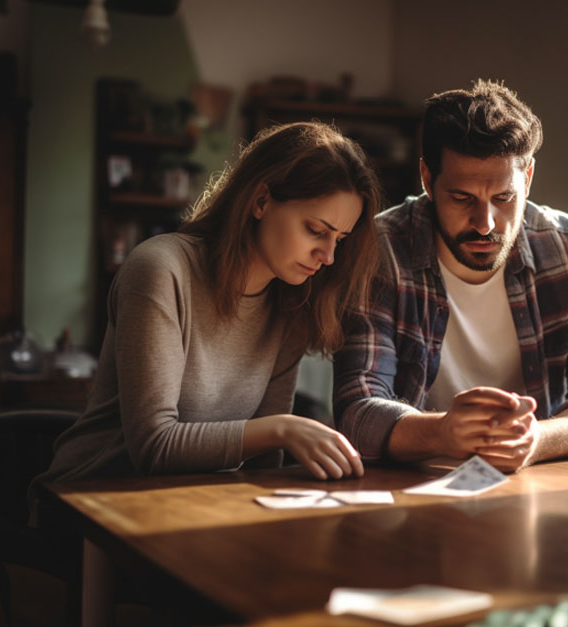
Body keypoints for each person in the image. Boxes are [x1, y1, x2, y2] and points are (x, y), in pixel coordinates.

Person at [31, 122, 381, 513]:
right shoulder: (161, 269)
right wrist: (283, 430)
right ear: (261, 200)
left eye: (341, 240)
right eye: (316, 230)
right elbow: (154, 446)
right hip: (94, 502)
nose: (329, 256)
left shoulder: (292, 305)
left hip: (192, 501)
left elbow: (262, 467)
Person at [332, 80, 568, 472]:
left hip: (533, 483)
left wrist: (535, 441)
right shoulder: (380, 250)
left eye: (504, 198)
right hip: (409, 487)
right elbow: (356, 408)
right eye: (462, 198)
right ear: (428, 179)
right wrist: (443, 432)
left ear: (527, 178)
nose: (485, 224)